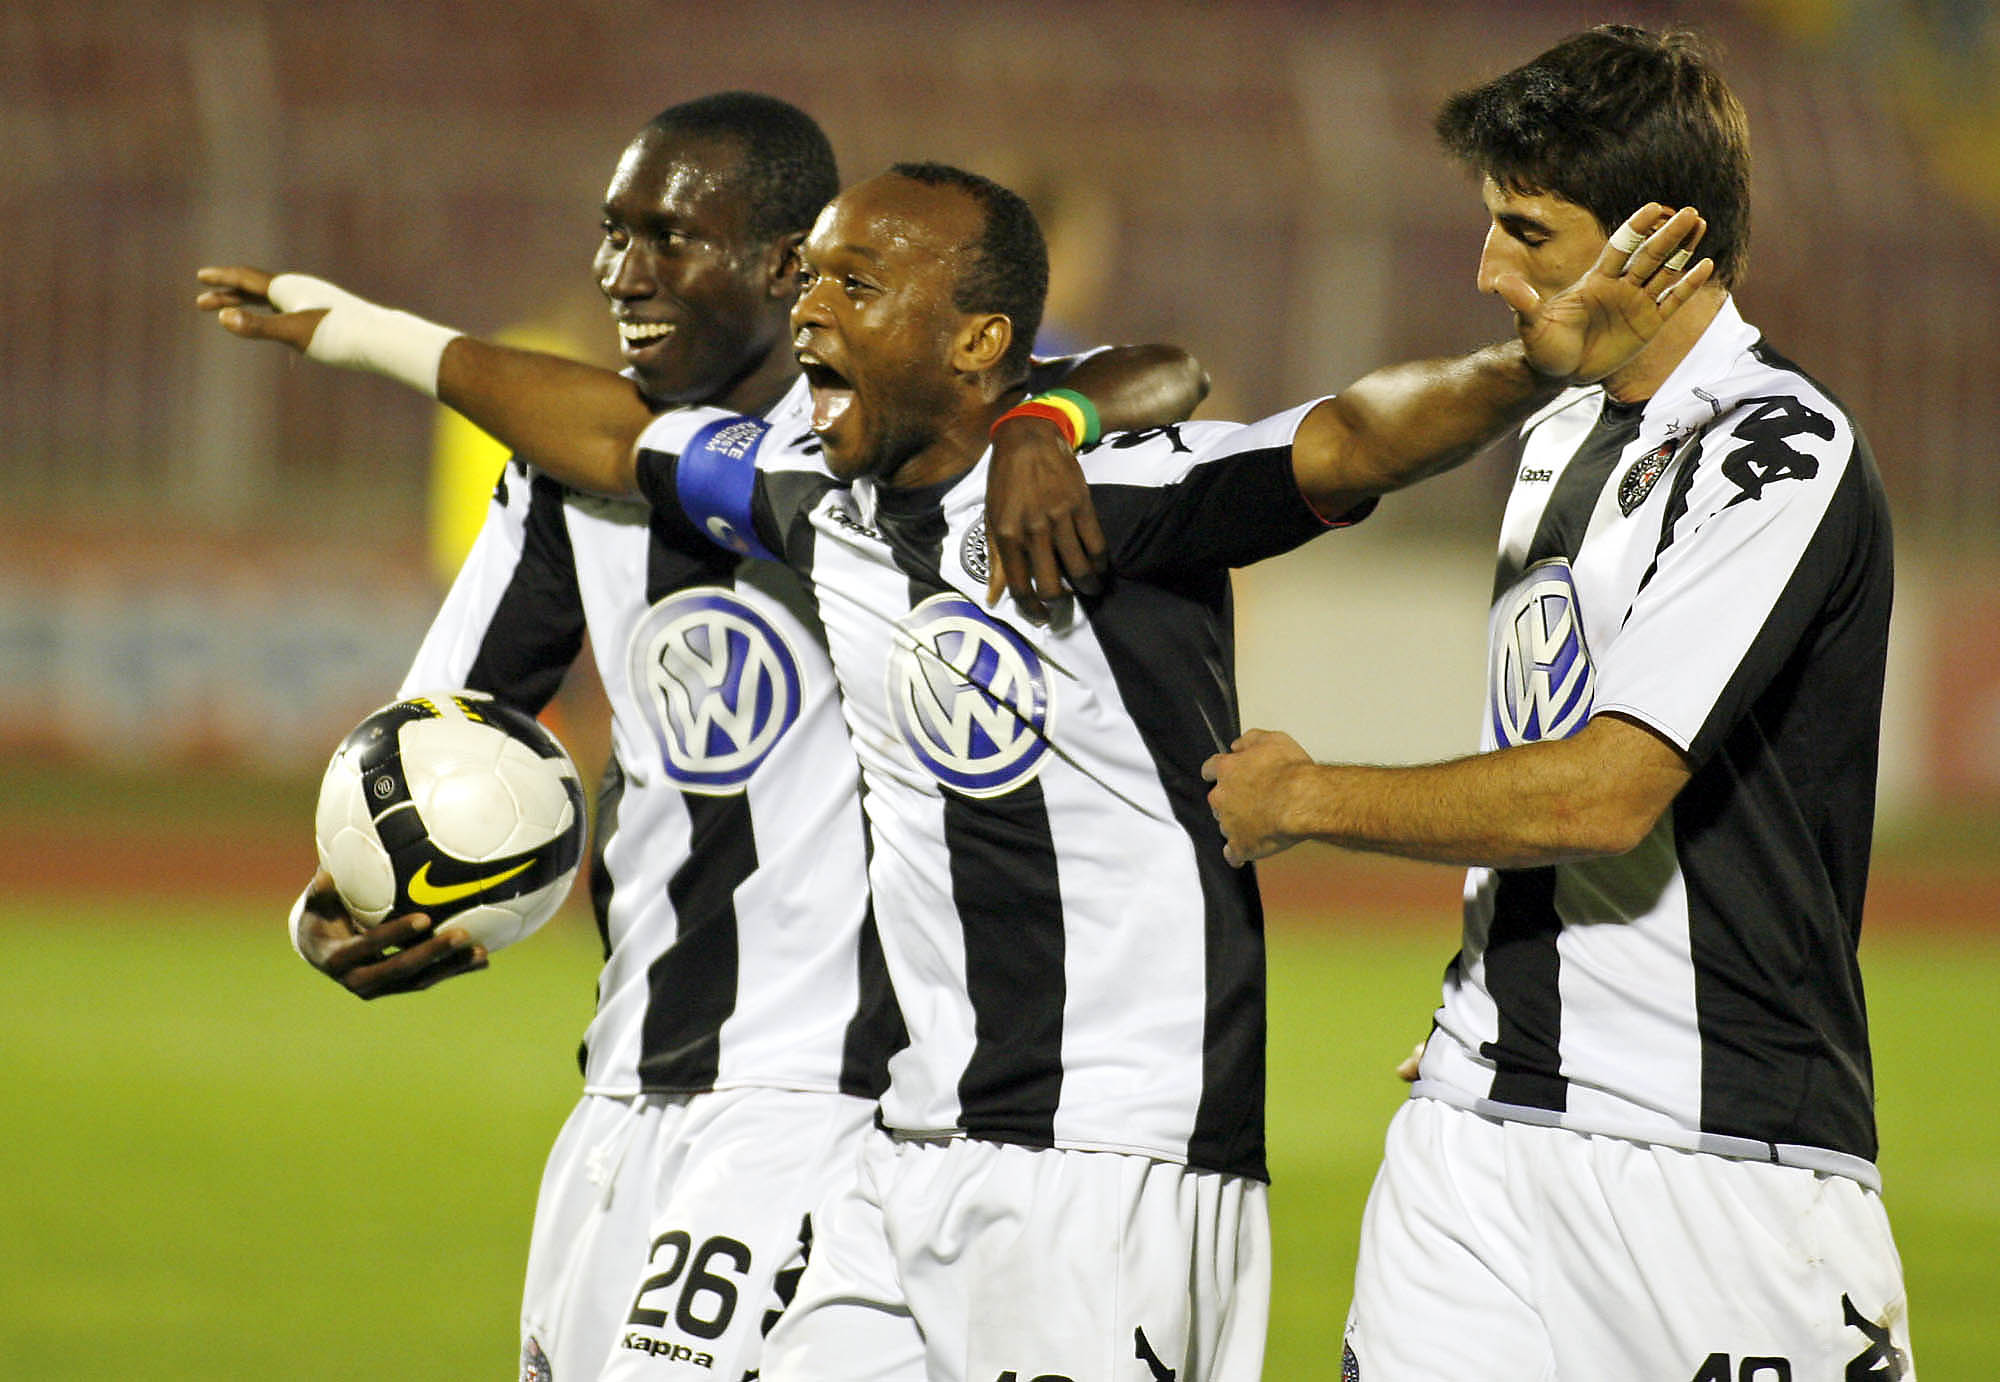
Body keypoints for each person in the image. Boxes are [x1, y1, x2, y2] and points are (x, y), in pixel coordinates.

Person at [198, 157, 1706, 1379]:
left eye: (857, 284)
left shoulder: (1108, 492)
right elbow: (607, 432)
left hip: (1116, 1158)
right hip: (900, 1148)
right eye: (812, 280)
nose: (811, 314)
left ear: (982, 343)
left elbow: (1343, 441)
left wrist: (1522, 365)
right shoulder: (812, 497)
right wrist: (352, 327)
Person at [201, 94, 1206, 1382]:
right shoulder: (562, 474)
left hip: (832, 1102)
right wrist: (358, 895)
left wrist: (1041, 425)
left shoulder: (908, 444)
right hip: (624, 1088)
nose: (624, 275)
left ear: (789, 267)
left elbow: (1162, 372)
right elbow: (449, 743)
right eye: (612, 236)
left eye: (669, 241)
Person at [1202, 25, 1913, 1380]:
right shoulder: (1556, 442)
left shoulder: (1775, 448)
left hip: (1715, 1159)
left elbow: (1604, 788)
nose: (1487, 271)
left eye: (1529, 232)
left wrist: (1308, 797)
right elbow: (1533, 759)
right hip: (1481, 1136)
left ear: (1666, 240)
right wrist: (1498, 985)